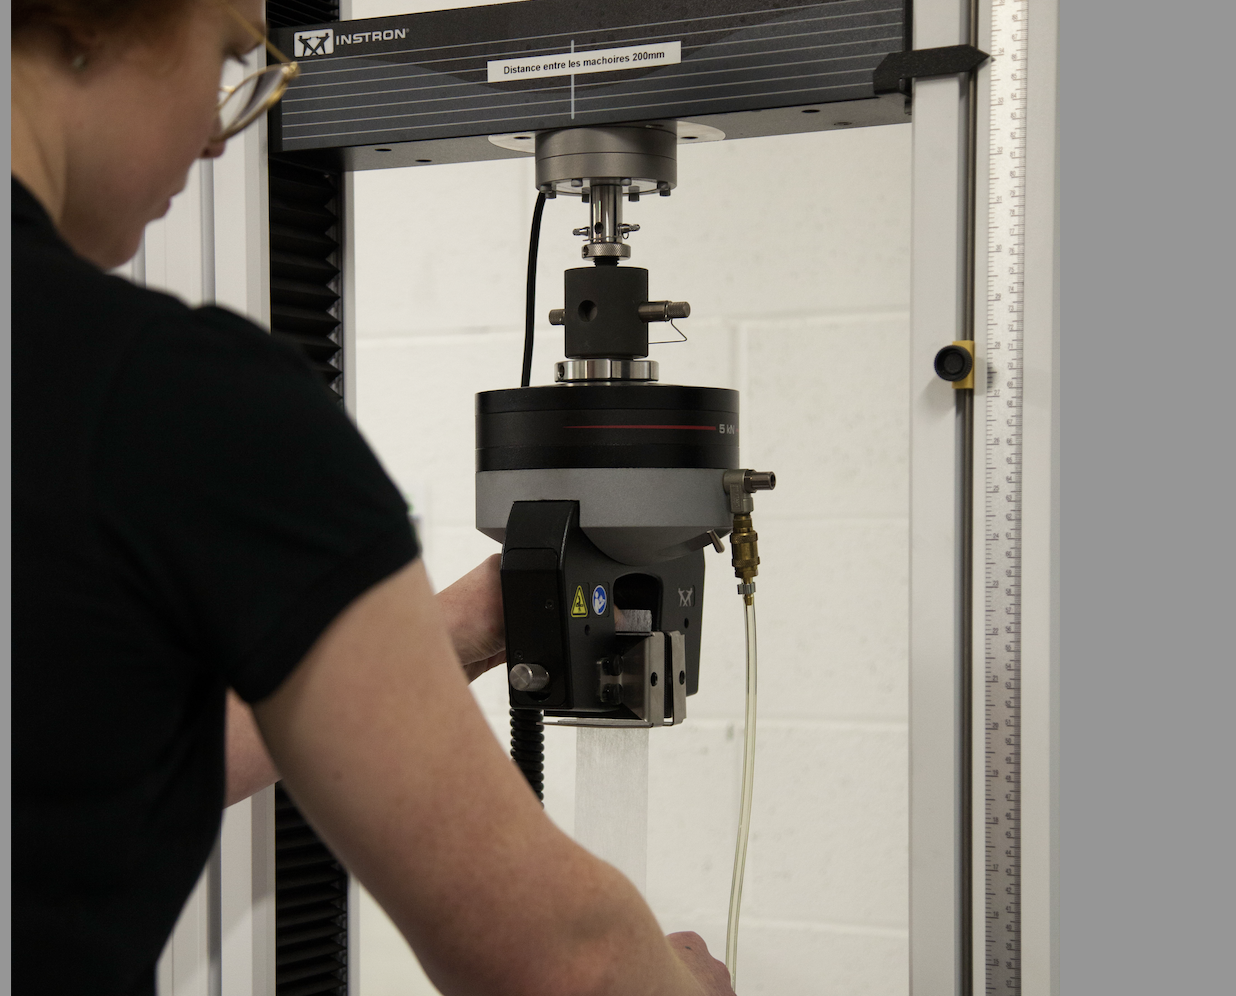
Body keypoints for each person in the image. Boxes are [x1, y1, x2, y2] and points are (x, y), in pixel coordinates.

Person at [9, 1, 738, 993]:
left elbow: (83, 757)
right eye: (229, 56)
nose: (223, 135)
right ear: (91, 20)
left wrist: (461, 630)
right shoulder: (173, 396)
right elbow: (563, 967)